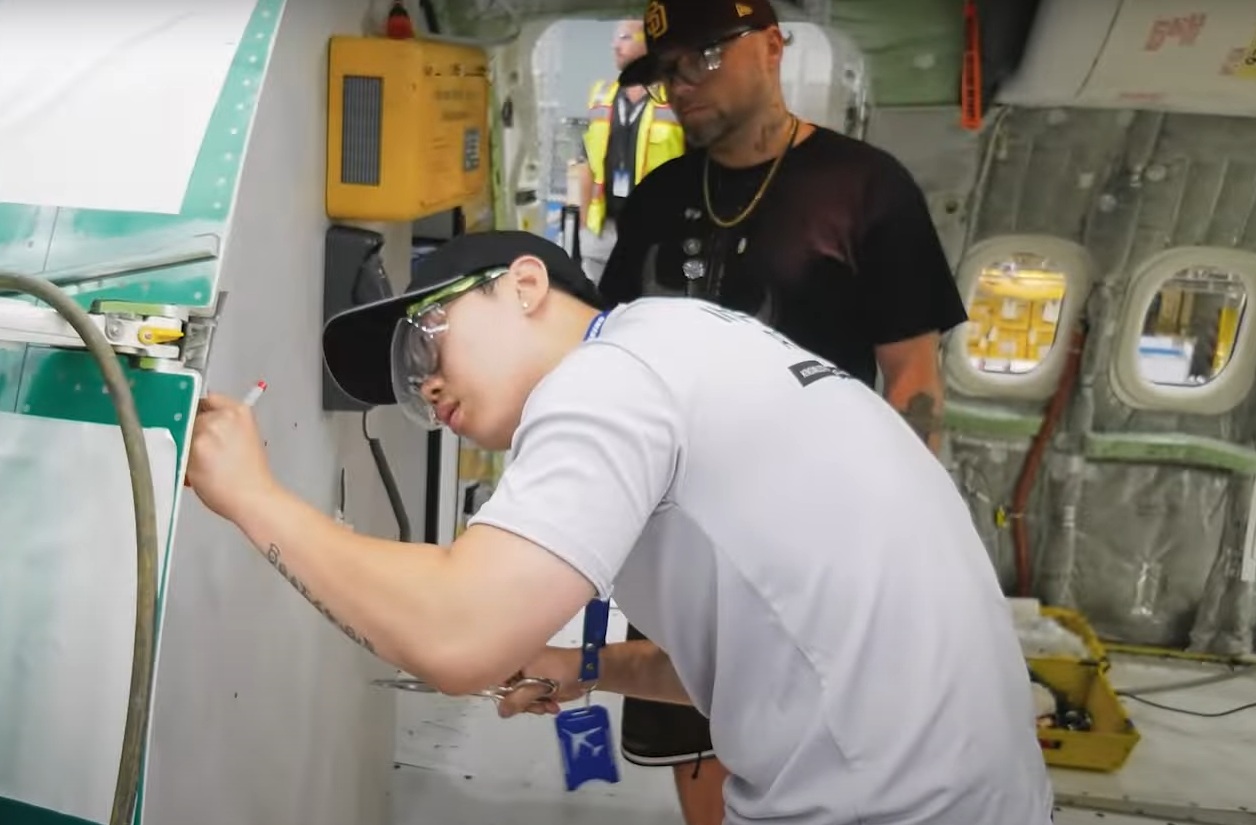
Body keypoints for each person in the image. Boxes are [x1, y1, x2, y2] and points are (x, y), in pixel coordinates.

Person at [186, 229, 1053, 825]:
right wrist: (582, 666)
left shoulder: (607, 378)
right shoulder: (683, 344)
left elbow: (458, 637)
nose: (427, 387)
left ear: (525, 284)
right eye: (409, 389)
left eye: (425, 342)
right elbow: (757, 650)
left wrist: (253, 495)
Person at [596, 2, 971, 817]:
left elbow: (912, 376)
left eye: (701, 57)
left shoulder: (867, 189)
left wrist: (896, 537)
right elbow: (611, 351)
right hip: (678, 537)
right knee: (698, 745)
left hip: (817, 541)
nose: (681, 85)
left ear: (771, 45)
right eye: (666, 71)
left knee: (807, 749)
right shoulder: (658, 197)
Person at [572, 18, 687, 284]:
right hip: (603, 228)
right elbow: (587, 163)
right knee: (596, 297)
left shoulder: (676, 97)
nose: (615, 45)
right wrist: (583, 224)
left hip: (659, 229)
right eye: (615, 38)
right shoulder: (601, 95)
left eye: (624, 37)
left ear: (649, 44)